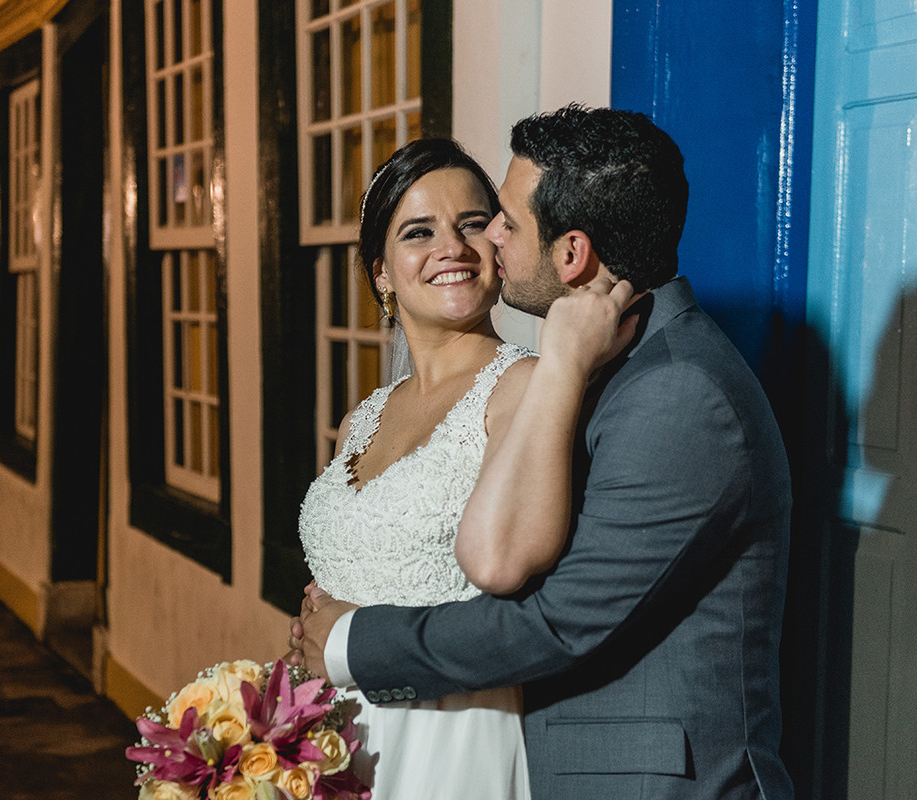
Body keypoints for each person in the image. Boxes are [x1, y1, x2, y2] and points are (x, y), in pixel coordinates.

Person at [291, 105, 794, 800]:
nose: (485, 240)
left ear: (572, 253)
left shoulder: (679, 394)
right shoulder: (622, 365)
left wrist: (350, 644)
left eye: (499, 221)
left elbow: (556, 619)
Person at [295, 136, 632, 799]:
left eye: (474, 225)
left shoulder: (525, 387)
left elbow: (514, 555)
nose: (453, 247)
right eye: (419, 232)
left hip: (448, 741)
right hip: (330, 733)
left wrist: (566, 360)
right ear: (382, 271)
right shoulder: (363, 418)